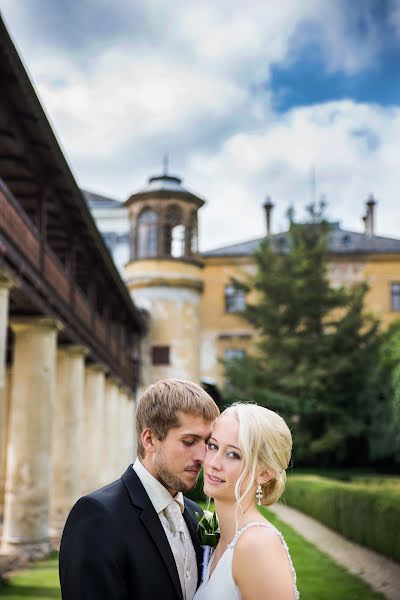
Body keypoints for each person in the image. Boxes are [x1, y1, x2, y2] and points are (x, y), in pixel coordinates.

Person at [59, 378, 220, 600]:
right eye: (189, 441)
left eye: (208, 443)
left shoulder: (196, 515)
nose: (203, 457)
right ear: (150, 440)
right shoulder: (97, 515)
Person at [194, 403, 299, 600]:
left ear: (265, 473)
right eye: (213, 446)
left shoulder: (257, 544)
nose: (213, 463)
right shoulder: (217, 538)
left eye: (233, 454)